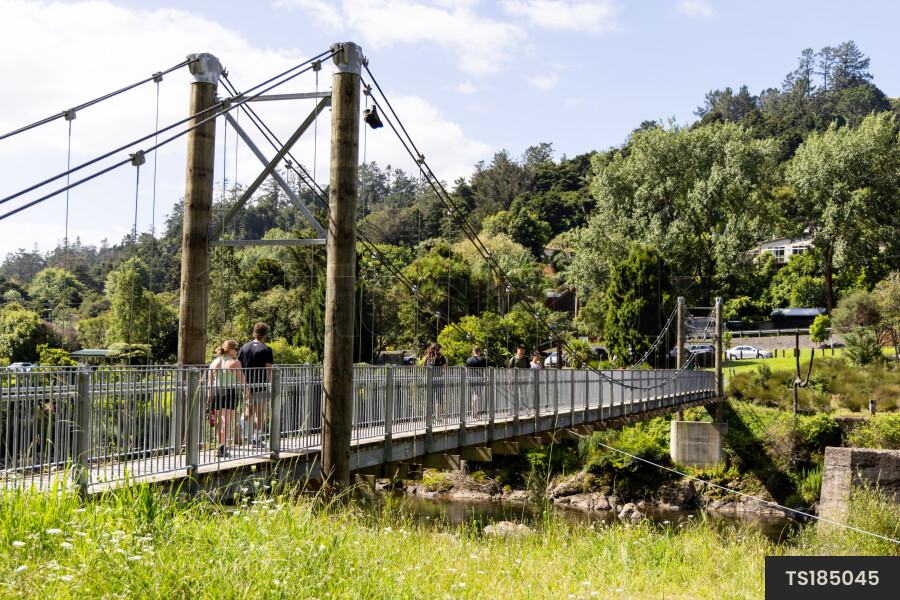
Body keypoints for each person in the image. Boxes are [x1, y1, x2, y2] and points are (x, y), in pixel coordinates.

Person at [207, 340, 248, 458]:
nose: (237, 351)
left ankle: (219, 446)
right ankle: (222, 448)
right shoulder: (234, 363)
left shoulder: (214, 362)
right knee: (226, 421)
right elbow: (242, 381)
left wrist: (209, 397)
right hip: (229, 392)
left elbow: (210, 382)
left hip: (215, 392)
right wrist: (247, 395)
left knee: (220, 421)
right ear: (230, 350)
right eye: (236, 349)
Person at [237, 322, 274, 448]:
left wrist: (242, 383)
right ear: (265, 334)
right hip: (261, 385)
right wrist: (270, 385)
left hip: (246, 385)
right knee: (260, 413)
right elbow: (269, 370)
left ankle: (240, 426)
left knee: (249, 410)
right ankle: (256, 440)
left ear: (254, 332)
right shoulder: (266, 349)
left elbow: (238, 365)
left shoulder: (244, 347)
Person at [423, 342, 447, 418]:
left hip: (429, 380)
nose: (441, 350)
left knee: (429, 398)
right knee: (439, 398)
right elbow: (445, 368)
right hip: (438, 380)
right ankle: (437, 416)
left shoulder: (427, 357)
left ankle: (428, 416)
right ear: (438, 349)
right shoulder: (441, 357)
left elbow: (424, 367)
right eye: (441, 348)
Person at [465, 345, 487, 417]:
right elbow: (486, 370)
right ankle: (474, 412)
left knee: (473, 395)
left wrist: (467, 377)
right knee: (476, 395)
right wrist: (487, 378)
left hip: (470, 379)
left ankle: (473, 410)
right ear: (479, 352)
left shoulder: (468, 360)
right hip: (479, 379)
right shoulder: (483, 360)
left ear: (473, 351)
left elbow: (466, 371)